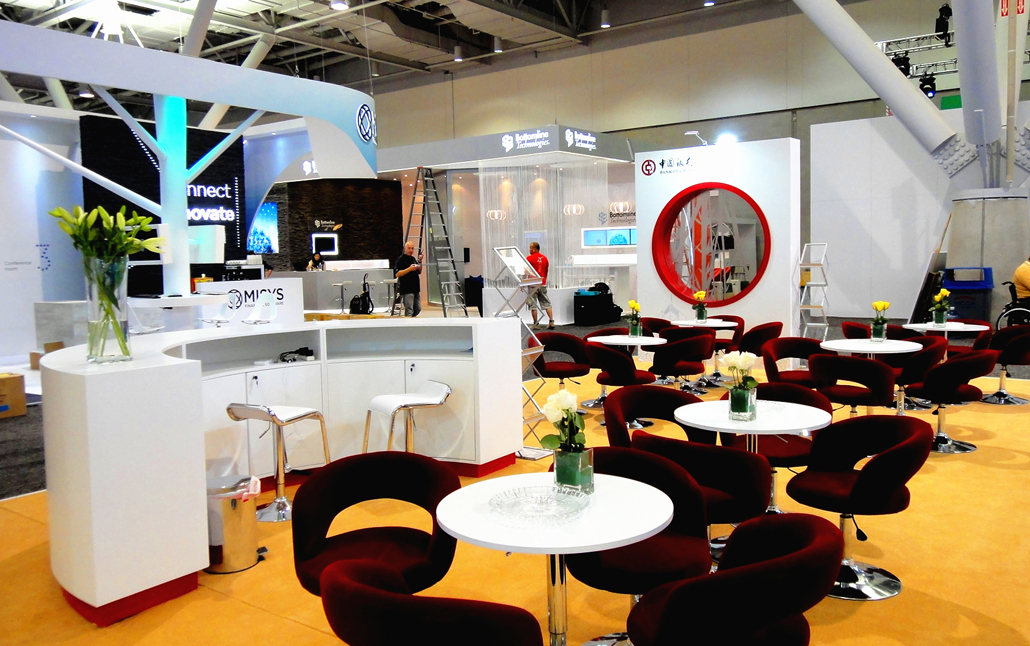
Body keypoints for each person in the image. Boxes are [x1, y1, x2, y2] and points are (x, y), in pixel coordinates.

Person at [525, 241, 554, 329]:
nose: (529, 250)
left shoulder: (529, 258)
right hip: (542, 283)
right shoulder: (545, 258)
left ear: (534, 249)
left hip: (532, 284)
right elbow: (546, 271)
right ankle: (551, 321)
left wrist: (524, 281)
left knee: (533, 304)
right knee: (546, 303)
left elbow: (525, 271)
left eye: (530, 248)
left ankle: (536, 323)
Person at [395, 241, 423, 317]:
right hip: (407, 289)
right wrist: (409, 269)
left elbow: (419, 271)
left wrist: (420, 261)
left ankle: (412, 320)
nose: (411, 250)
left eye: (412, 248)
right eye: (409, 248)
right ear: (405, 249)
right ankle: (408, 321)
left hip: (415, 288)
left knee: (418, 308)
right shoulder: (401, 260)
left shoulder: (413, 259)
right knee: (409, 309)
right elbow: (397, 274)